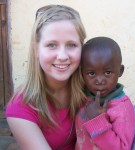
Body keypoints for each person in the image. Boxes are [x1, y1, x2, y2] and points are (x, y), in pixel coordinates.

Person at [6, 4, 86, 150]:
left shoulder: (91, 90)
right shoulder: (21, 106)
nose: (62, 56)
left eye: (72, 45)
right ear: (36, 49)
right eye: (51, 45)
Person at [75, 36, 135, 150]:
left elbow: (122, 148)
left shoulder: (122, 108)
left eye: (108, 72)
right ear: (82, 73)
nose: (100, 81)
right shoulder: (83, 97)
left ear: (120, 71)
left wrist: (97, 120)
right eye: (91, 74)